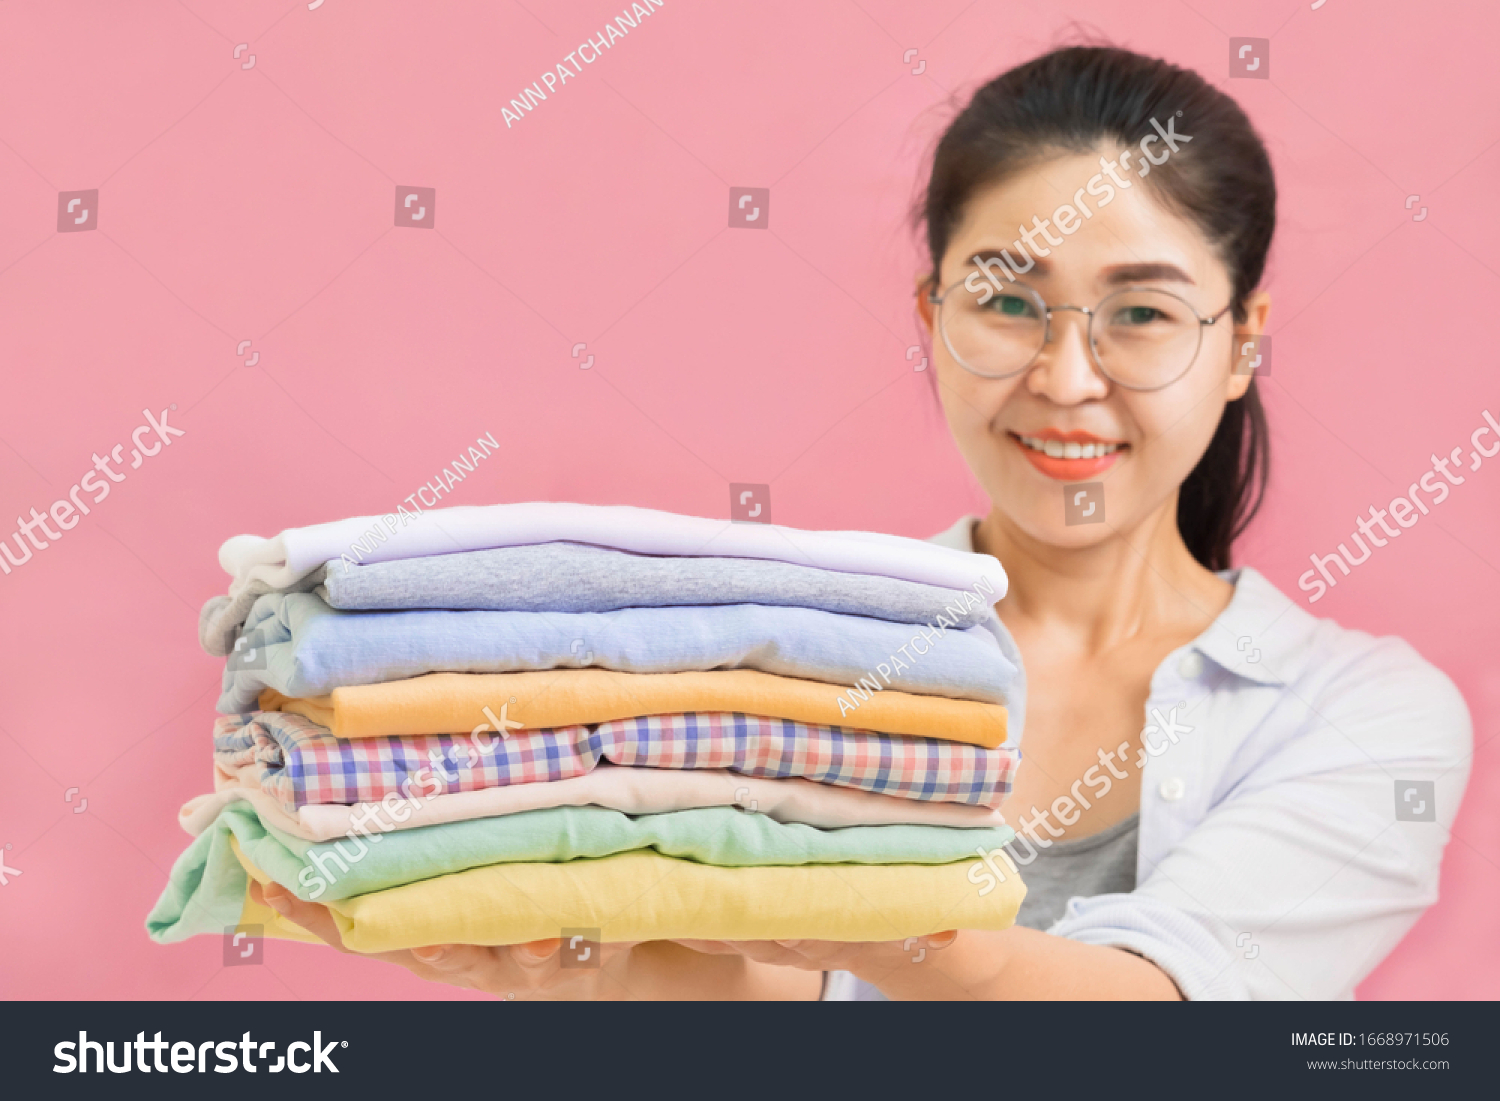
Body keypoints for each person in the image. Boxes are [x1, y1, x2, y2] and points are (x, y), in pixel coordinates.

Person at [260, 45, 1471, 1000]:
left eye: (1141, 314)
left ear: (1242, 341)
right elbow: (777, 989)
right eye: (1007, 300)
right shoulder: (797, 647)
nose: (1065, 378)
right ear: (931, 311)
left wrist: (913, 947)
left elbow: (1159, 1002)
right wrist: (588, 966)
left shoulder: (1366, 716)